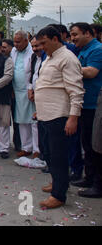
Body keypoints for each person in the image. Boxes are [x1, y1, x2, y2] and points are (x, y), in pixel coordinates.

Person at [35, 26, 84, 209]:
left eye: (44, 43)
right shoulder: (49, 58)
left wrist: (73, 117)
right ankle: (57, 182)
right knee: (46, 151)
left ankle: (59, 195)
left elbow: (76, 91)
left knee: (58, 156)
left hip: (59, 116)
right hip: (45, 115)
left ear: (56, 39)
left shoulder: (67, 58)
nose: (41, 47)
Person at [69, 22, 102, 198]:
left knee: (96, 145)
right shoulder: (82, 50)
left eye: (75, 34)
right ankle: (89, 178)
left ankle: (98, 184)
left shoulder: (97, 49)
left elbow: (91, 72)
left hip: (95, 105)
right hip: (84, 104)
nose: (73, 38)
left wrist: (69, 69)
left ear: (88, 33)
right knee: (87, 144)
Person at [11, 31, 36, 157]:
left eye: (18, 41)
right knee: (21, 121)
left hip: (29, 90)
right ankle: (26, 147)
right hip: (17, 91)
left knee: (33, 121)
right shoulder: (14, 52)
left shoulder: (32, 52)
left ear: (26, 41)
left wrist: (31, 88)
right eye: (14, 41)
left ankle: (37, 149)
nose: (16, 44)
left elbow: (33, 72)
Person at [27, 37, 45, 159]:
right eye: (32, 46)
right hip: (34, 94)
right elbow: (31, 74)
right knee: (35, 123)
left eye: (37, 46)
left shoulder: (47, 58)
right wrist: (30, 89)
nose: (35, 49)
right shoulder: (34, 57)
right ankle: (36, 149)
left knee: (43, 125)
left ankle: (43, 152)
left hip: (44, 95)